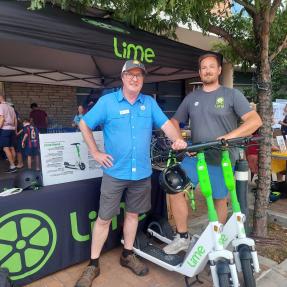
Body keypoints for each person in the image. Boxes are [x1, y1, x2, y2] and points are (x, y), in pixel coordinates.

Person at [75, 59, 187, 287]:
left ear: (142, 79)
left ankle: (127, 255)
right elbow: (84, 124)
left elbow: (167, 126)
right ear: (123, 77)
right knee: (104, 218)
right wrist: (95, 152)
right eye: (130, 74)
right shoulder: (108, 102)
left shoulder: (149, 103)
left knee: (133, 215)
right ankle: (93, 264)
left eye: (139, 75)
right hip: (115, 173)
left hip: (142, 174)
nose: (135, 78)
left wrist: (177, 140)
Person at [164, 53, 263, 255]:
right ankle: (182, 237)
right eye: (203, 67)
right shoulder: (192, 98)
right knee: (173, 187)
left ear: (219, 70)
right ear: (199, 72)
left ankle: (214, 240)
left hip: (222, 159)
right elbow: (174, 122)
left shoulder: (232, 95)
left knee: (219, 199)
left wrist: (229, 136)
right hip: (196, 156)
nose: (207, 70)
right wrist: (178, 139)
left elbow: (255, 121)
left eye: (211, 66)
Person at [0, 95, 17, 173]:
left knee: (5, 148)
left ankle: (13, 167)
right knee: (12, 147)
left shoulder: (1, 106)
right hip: (12, 129)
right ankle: (12, 166)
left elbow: (2, 118)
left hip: (5, 129)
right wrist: (15, 129)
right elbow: (14, 120)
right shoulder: (11, 108)